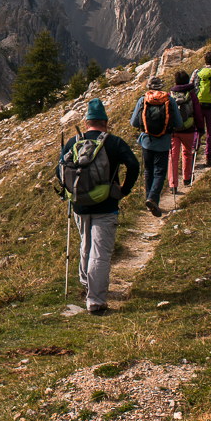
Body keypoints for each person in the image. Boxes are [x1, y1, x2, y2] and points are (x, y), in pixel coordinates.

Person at [60, 98, 139, 316]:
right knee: (100, 252)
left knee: (86, 244)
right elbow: (134, 165)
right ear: (105, 123)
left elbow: (61, 171)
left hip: (79, 205)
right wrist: (124, 190)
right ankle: (95, 301)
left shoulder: (72, 143)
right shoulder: (114, 142)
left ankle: (87, 285)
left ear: (86, 123)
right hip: (107, 204)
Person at [130, 75, 183, 217]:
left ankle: (149, 199)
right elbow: (178, 123)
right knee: (160, 172)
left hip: (147, 141)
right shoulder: (169, 100)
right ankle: (153, 198)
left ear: (148, 86)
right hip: (164, 142)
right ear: (161, 87)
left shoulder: (143, 100)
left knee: (148, 171)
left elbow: (134, 123)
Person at [169, 69, 205, 194]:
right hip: (189, 128)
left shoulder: (171, 95)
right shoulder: (192, 95)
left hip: (173, 130)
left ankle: (172, 184)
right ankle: (187, 178)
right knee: (187, 153)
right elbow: (197, 112)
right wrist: (200, 127)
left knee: (173, 156)